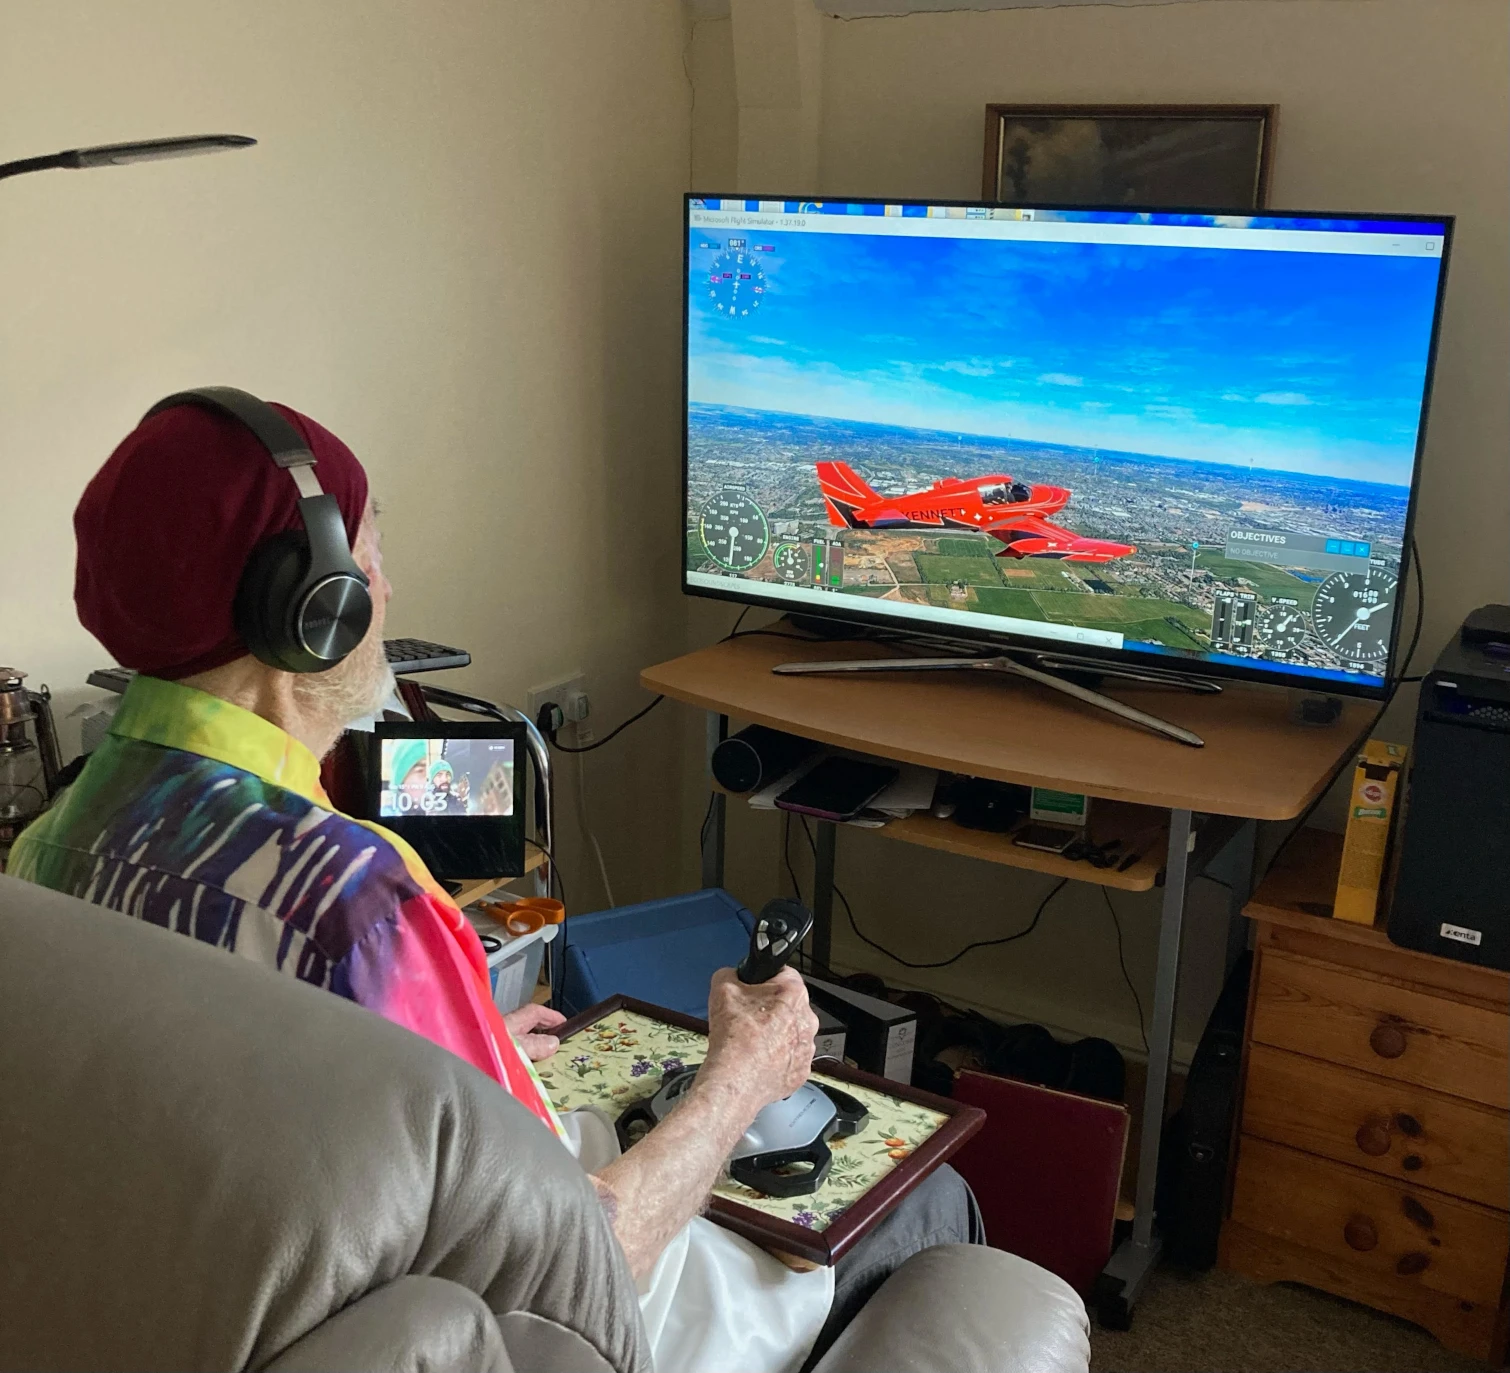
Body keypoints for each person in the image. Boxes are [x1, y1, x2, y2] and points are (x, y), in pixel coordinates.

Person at [10, 397, 981, 1370]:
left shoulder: (54, 843)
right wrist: (739, 1079)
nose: (387, 590)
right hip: (541, 1318)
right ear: (316, 607)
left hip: (253, 1283)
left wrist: (447, 1055)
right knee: (923, 1196)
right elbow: (576, 1270)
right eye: (370, 557)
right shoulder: (360, 906)